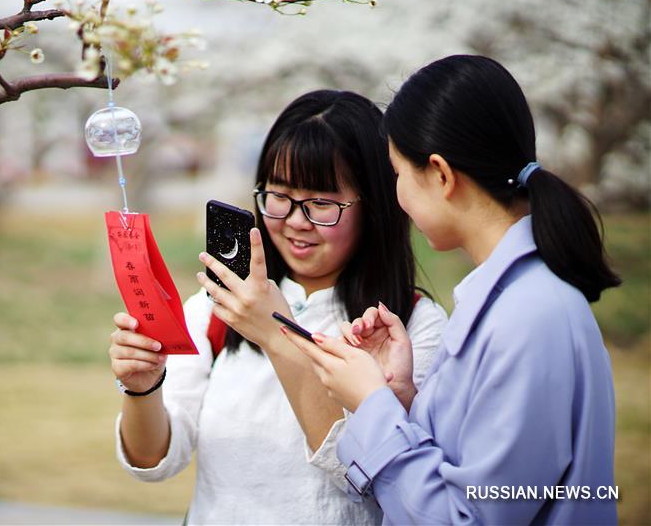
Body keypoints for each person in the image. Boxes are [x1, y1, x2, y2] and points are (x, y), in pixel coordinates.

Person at [286, 56, 620, 524]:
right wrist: (402, 398)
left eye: (398, 174)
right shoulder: (509, 299)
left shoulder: (529, 315)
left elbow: (471, 517)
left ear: (441, 175)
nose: (397, 198)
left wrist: (373, 406)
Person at [108, 90, 448, 524]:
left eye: (322, 203)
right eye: (279, 195)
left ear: (375, 204)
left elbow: (371, 476)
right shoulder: (217, 307)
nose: (295, 221)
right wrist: (143, 388)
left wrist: (274, 332)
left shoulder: (409, 326)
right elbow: (155, 458)